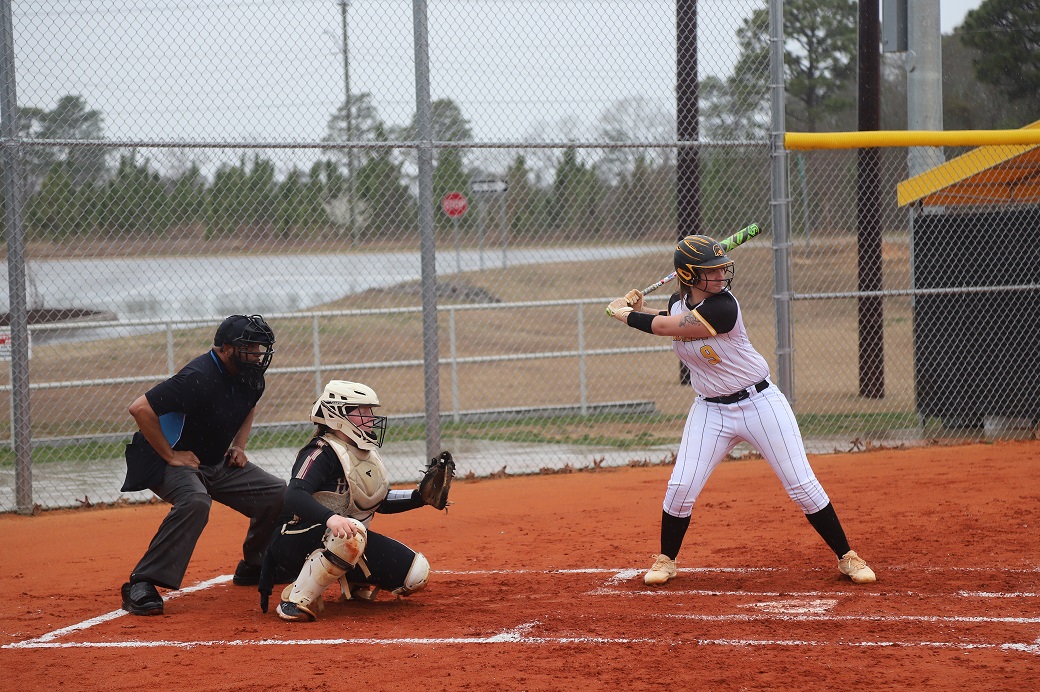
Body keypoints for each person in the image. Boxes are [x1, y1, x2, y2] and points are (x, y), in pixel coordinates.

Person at [606, 235, 876, 586]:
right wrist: (639, 311)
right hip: (710, 410)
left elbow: (667, 328)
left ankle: (847, 557)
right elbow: (668, 316)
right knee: (681, 485)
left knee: (800, 483)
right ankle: (666, 559)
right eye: (711, 271)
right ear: (688, 275)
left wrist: (627, 315)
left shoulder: (724, 307)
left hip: (759, 403)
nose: (720, 276)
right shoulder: (677, 303)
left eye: (721, 269)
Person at [119, 314, 286, 616]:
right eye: (249, 347)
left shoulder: (251, 377)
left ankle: (254, 564)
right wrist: (171, 455)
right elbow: (140, 409)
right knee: (196, 501)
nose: (257, 355)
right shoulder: (199, 376)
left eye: (260, 348)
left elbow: (248, 407)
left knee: (276, 493)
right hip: (166, 460)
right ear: (225, 349)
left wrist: (239, 446)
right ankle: (141, 583)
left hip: (214, 462)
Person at [257, 380, 449, 622]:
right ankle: (295, 600)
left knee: (415, 575)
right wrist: (331, 518)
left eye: (371, 410)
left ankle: (353, 578)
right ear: (338, 415)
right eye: (363, 411)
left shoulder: (363, 451)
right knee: (352, 532)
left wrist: (419, 498)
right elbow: (294, 495)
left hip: (343, 537)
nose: (371, 417)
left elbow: (375, 500)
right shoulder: (319, 451)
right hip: (294, 539)